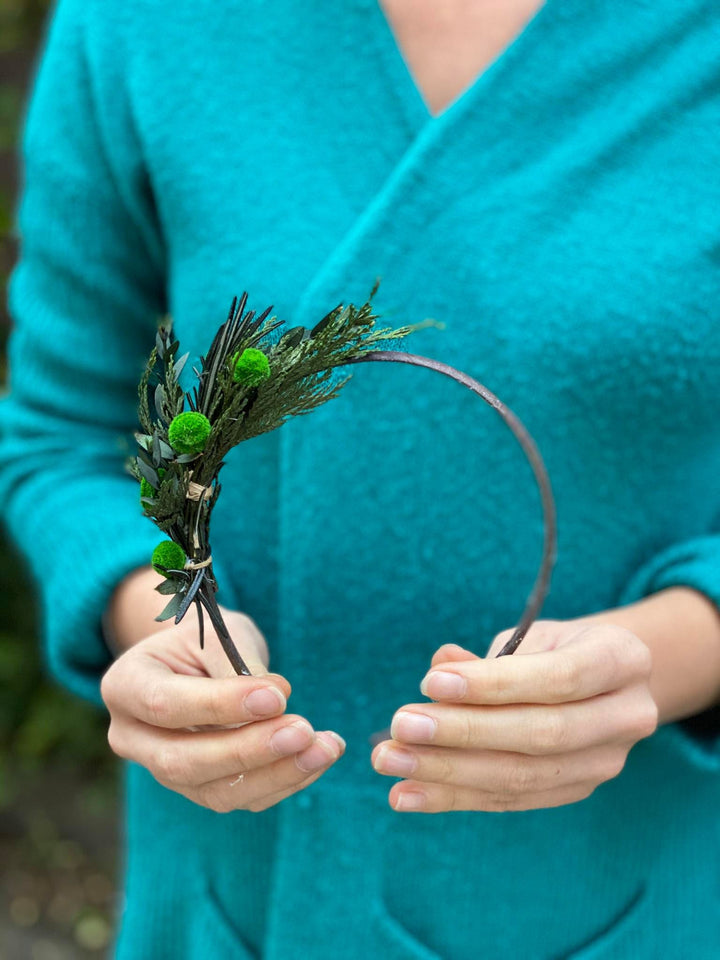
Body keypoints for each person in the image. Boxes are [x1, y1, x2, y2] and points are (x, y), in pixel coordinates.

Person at [2, 0, 719, 956]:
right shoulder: (141, 25)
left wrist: (677, 651)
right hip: (242, 890)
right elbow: (67, 435)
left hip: (643, 883)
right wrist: (163, 615)